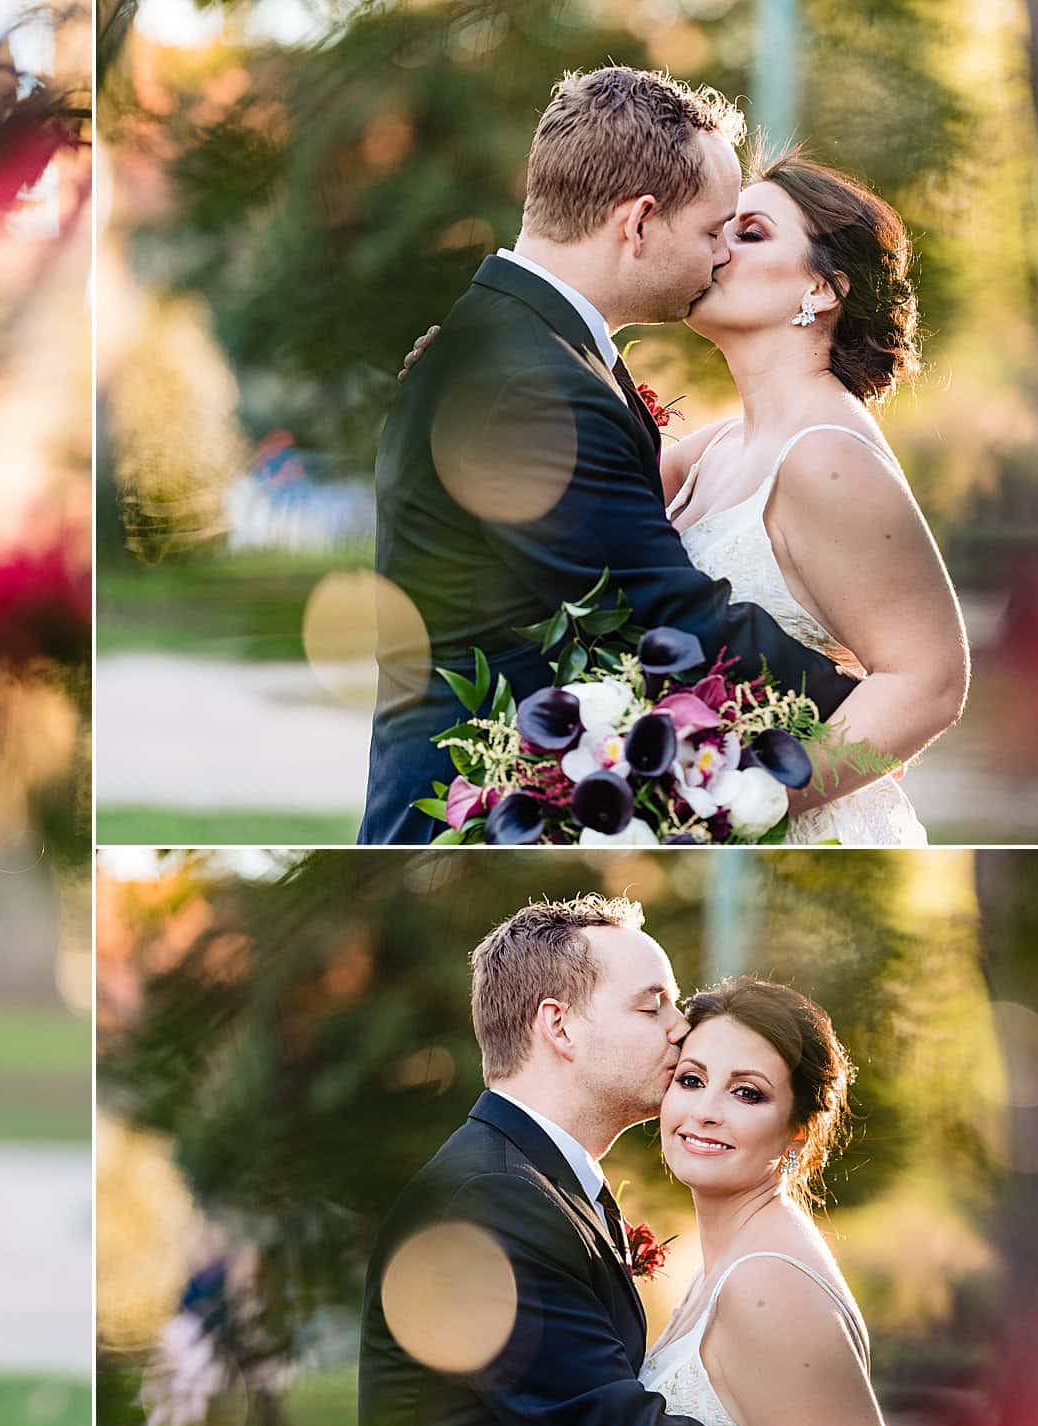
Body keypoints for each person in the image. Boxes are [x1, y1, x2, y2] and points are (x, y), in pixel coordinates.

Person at [339, 896, 903, 1426]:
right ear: (559, 1026)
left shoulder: (552, 1187)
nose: (680, 1026)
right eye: (654, 1005)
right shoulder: (489, 1199)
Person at [359, 67, 863, 844]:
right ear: (638, 224)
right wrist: (854, 699)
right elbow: (653, 609)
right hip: (474, 813)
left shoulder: (528, 345)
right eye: (711, 231)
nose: (720, 256)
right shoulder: (529, 383)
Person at [663, 148, 969, 844]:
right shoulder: (712, 449)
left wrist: (740, 809)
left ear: (823, 290)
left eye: (750, 233)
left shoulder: (827, 456)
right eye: (717, 229)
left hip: (798, 832)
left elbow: (929, 682)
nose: (716, 248)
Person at [640, 976, 909, 1426]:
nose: (705, 1111)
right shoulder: (733, 1260)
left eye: (747, 1092)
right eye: (692, 1079)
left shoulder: (765, 1277)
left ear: (799, 1128)